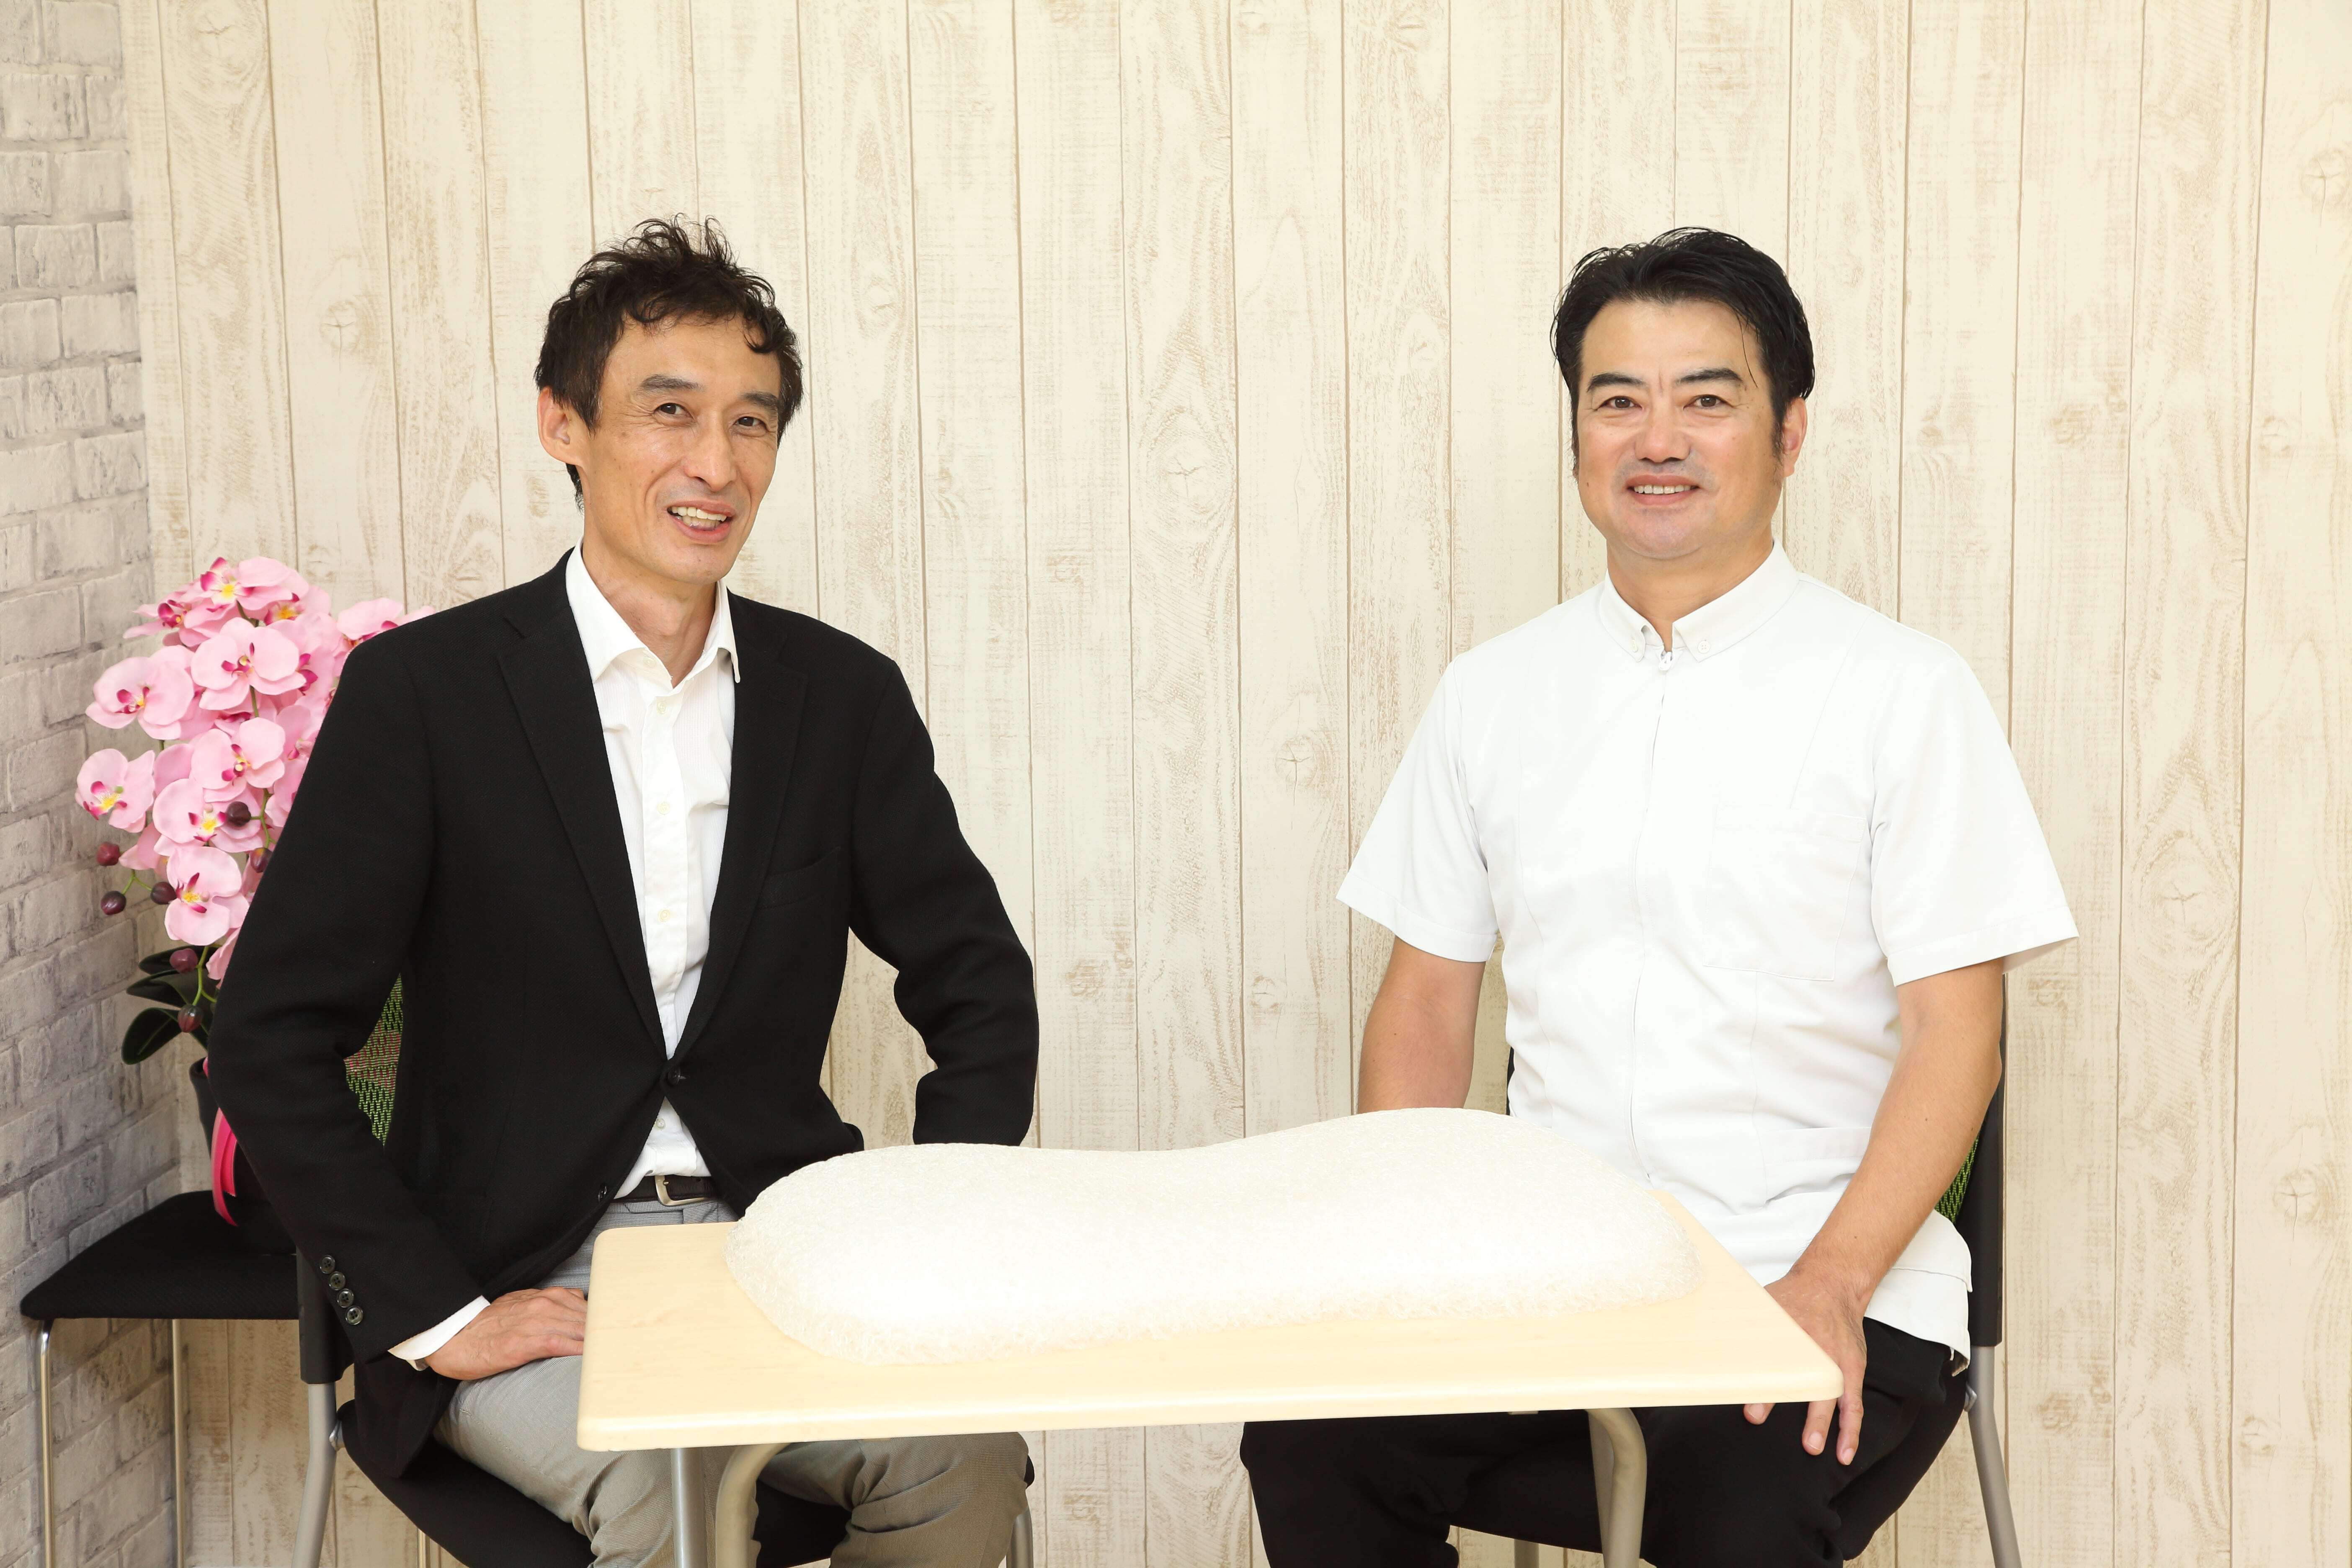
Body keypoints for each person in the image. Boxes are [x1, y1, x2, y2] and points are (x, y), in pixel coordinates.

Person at [1238, 227, 2076, 1567]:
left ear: (1789, 433)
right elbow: (1428, 1001)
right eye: (1618, 400)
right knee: (1313, 1438)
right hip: (1553, 1279)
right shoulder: (1492, 696)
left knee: (1728, 1511)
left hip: (1824, 1273)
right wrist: (1404, 1248)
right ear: (1578, 437)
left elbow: (1955, 1037)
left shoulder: (1904, 694)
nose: (1658, 439)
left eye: (1708, 398)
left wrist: (1831, 1282)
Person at [209, 219, 1037, 1568]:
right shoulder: (426, 697)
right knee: (667, 1487)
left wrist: (922, 1231)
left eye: (752, 422)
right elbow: (270, 1034)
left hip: (781, 1252)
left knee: (965, 1456)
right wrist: (438, 1315)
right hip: (523, 1270)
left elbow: (980, 981)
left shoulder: (839, 698)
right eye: (670, 413)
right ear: (564, 424)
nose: (717, 463)